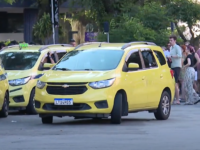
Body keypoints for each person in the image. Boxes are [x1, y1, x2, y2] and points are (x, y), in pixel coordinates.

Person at [168, 35, 182, 104]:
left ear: (175, 41)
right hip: (172, 66)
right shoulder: (171, 48)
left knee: (175, 83)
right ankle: (174, 98)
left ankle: (177, 99)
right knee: (173, 83)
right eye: (169, 40)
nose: (170, 42)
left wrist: (172, 56)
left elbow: (179, 55)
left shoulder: (177, 47)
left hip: (176, 66)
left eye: (171, 40)